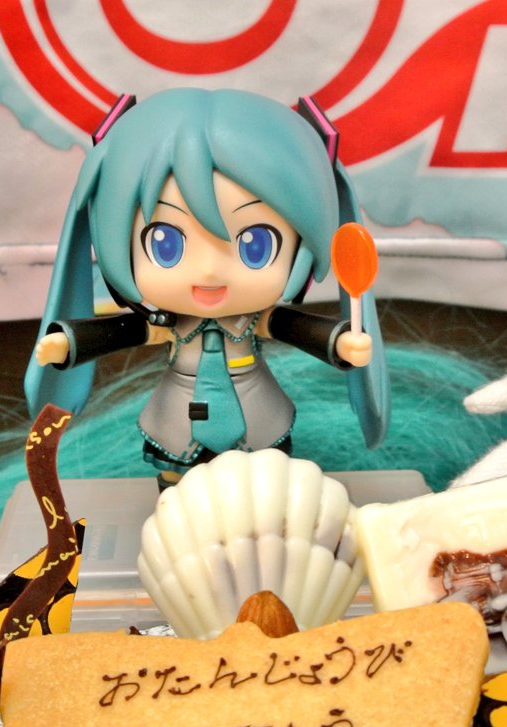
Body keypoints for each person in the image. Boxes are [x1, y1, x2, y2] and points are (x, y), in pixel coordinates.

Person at [26, 88, 390, 481]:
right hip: (178, 415)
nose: (210, 271)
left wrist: (339, 343)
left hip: (256, 412)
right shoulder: (166, 323)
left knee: (262, 485)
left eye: (256, 245)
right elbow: (123, 331)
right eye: (165, 244)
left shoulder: (255, 320)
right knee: (177, 482)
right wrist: (70, 342)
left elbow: (294, 327)